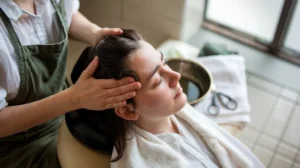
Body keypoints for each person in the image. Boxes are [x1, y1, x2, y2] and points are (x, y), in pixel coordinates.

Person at [71, 29, 264, 168]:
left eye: (163, 62)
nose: (176, 76)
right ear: (128, 110)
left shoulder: (172, 112)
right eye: (158, 80)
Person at [0, 0, 141, 168]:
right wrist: (73, 99)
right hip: (20, 144)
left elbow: (67, 15)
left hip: (66, 108)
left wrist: (94, 33)